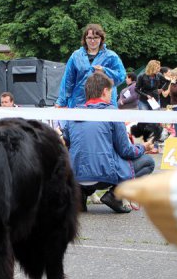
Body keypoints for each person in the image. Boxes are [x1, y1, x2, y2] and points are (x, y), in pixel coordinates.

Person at [60, 73, 155, 213]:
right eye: (111, 92)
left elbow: (65, 141)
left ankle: (80, 194)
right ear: (105, 91)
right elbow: (125, 151)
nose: (111, 96)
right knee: (148, 162)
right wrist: (143, 147)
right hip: (104, 175)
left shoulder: (74, 113)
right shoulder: (112, 112)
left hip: (77, 176)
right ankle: (115, 196)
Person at [56, 24, 125, 109]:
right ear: (85, 39)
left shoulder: (111, 56)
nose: (92, 41)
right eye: (89, 38)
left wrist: (105, 71)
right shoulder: (76, 56)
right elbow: (68, 81)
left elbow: (121, 77)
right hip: (79, 104)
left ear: (101, 38)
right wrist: (61, 101)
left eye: (96, 37)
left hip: (105, 105)